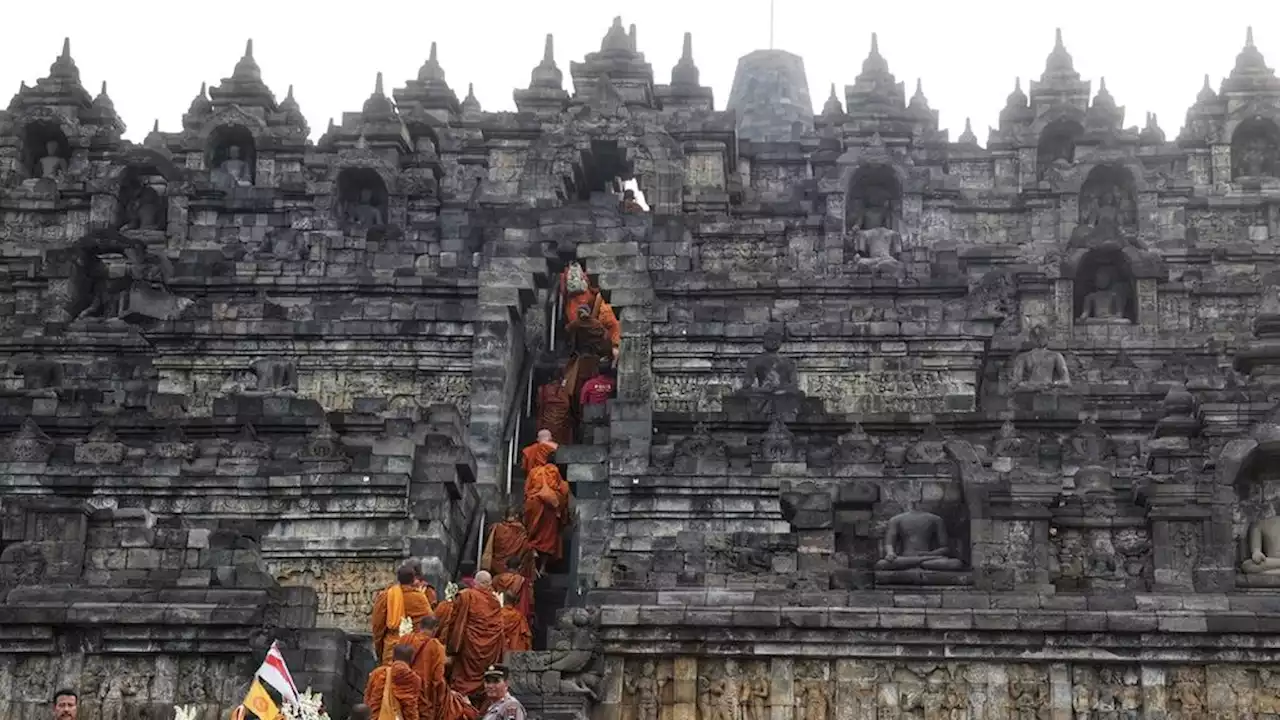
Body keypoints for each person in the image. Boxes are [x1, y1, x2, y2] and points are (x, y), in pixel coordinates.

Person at [443, 571, 506, 695]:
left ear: (475, 582)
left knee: (463, 678)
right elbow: (499, 628)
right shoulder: (495, 602)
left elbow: (455, 622)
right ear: (489, 584)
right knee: (484, 677)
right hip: (489, 650)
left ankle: (462, 707)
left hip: (469, 647)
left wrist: (450, 646)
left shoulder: (466, 596)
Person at [522, 433, 572, 569]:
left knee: (532, 532)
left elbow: (527, 490)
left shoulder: (533, 471)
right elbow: (562, 488)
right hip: (549, 508)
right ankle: (542, 567)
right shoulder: (553, 470)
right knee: (548, 537)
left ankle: (532, 556)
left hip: (534, 504)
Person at [371, 564, 434, 663]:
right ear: (413, 579)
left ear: (398, 578)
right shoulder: (420, 598)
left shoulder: (387, 595)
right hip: (413, 648)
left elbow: (378, 625)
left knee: (390, 676)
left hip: (392, 648)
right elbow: (429, 622)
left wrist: (378, 646)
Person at [364, 644, 423, 720]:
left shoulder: (378, 672)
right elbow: (410, 707)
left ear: (393, 657)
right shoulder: (413, 678)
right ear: (411, 659)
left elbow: (368, 696)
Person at [481, 509, 533, 578]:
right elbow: (526, 547)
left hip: (496, 568)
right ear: (517, 516)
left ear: (504, 517)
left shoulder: (497, 527)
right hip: (514, 569)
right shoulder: (521, 531)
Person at [535, 369, 575, 445]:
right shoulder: (566, 391)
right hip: (563, 426)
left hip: (546, 424)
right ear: (561, 379)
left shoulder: (542, 389)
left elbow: (539, 406)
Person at [492, 556, 533, 621]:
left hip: (498, 612)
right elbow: (525, 601)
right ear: (519, 567)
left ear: (506, 566)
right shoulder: (522, 581)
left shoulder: (496, 579)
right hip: (515, 615)